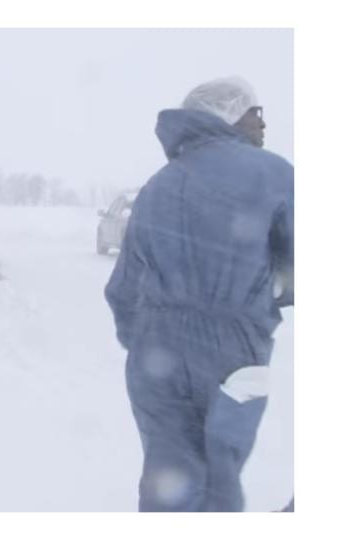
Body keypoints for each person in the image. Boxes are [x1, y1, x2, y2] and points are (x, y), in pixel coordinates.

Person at [105, 77, 294, 511]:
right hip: (233, 353)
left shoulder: (158, 185)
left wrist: (147, 340)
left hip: (155, 355)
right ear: (227, 115)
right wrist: (271, 293)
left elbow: (122, 288)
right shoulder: (273, 174)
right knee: (217, 477)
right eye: (255, 113)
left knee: (169, 479)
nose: (263, 125)